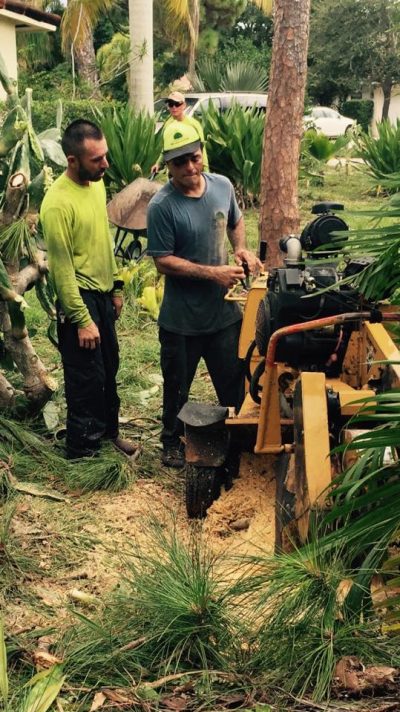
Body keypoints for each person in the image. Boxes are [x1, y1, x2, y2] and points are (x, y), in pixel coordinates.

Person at [147, 121, 261, 467]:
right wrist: (213, 273)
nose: (190, 168)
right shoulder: (162, 206)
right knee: (176, 386)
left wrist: (240, 248)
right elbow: (163, 262)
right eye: (180, 163)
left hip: (224, 315)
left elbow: (235, 220)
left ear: (202, 154)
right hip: (182, 320)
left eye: (195, 158)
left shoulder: (222, 186)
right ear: (168, 164)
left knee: (236, 384)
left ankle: (241, 436)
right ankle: (171, 440)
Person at [40, 119, 137, 460]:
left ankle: (109, 436)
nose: (106, 164)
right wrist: (81, 319)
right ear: (72, 160)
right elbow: (61, 268)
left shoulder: (96, 184)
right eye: (97, 160)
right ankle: (84, 453)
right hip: (77, 299)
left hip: (101, 294)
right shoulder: (56, 204)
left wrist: (116, 286)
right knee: (85, 378)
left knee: (109, 368)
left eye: (105, 155)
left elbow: (103, 240)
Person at [151, 90, 209, 174]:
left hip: (191, 169)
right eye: (171, 104)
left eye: (177, 104)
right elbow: (166, 149)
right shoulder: (167, 125)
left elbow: (202, 148)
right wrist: (158, 164)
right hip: (175, 171)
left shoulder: (194, 124)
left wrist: (206, 170)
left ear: (184, 105)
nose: (174, 107)